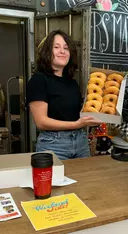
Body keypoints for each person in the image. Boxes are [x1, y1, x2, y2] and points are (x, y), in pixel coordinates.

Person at [27, 30, 101, 160]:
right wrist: (76, 125)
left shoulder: (72, 82)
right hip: (54, 144)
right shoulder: (39, 79)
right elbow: (41, 122)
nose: (62, 51)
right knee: (55, 180)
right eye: (56, 47)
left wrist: (95, 119)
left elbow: (76, 115)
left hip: (81, 142)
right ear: (47, 51)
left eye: (66, 48)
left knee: (85, 180)